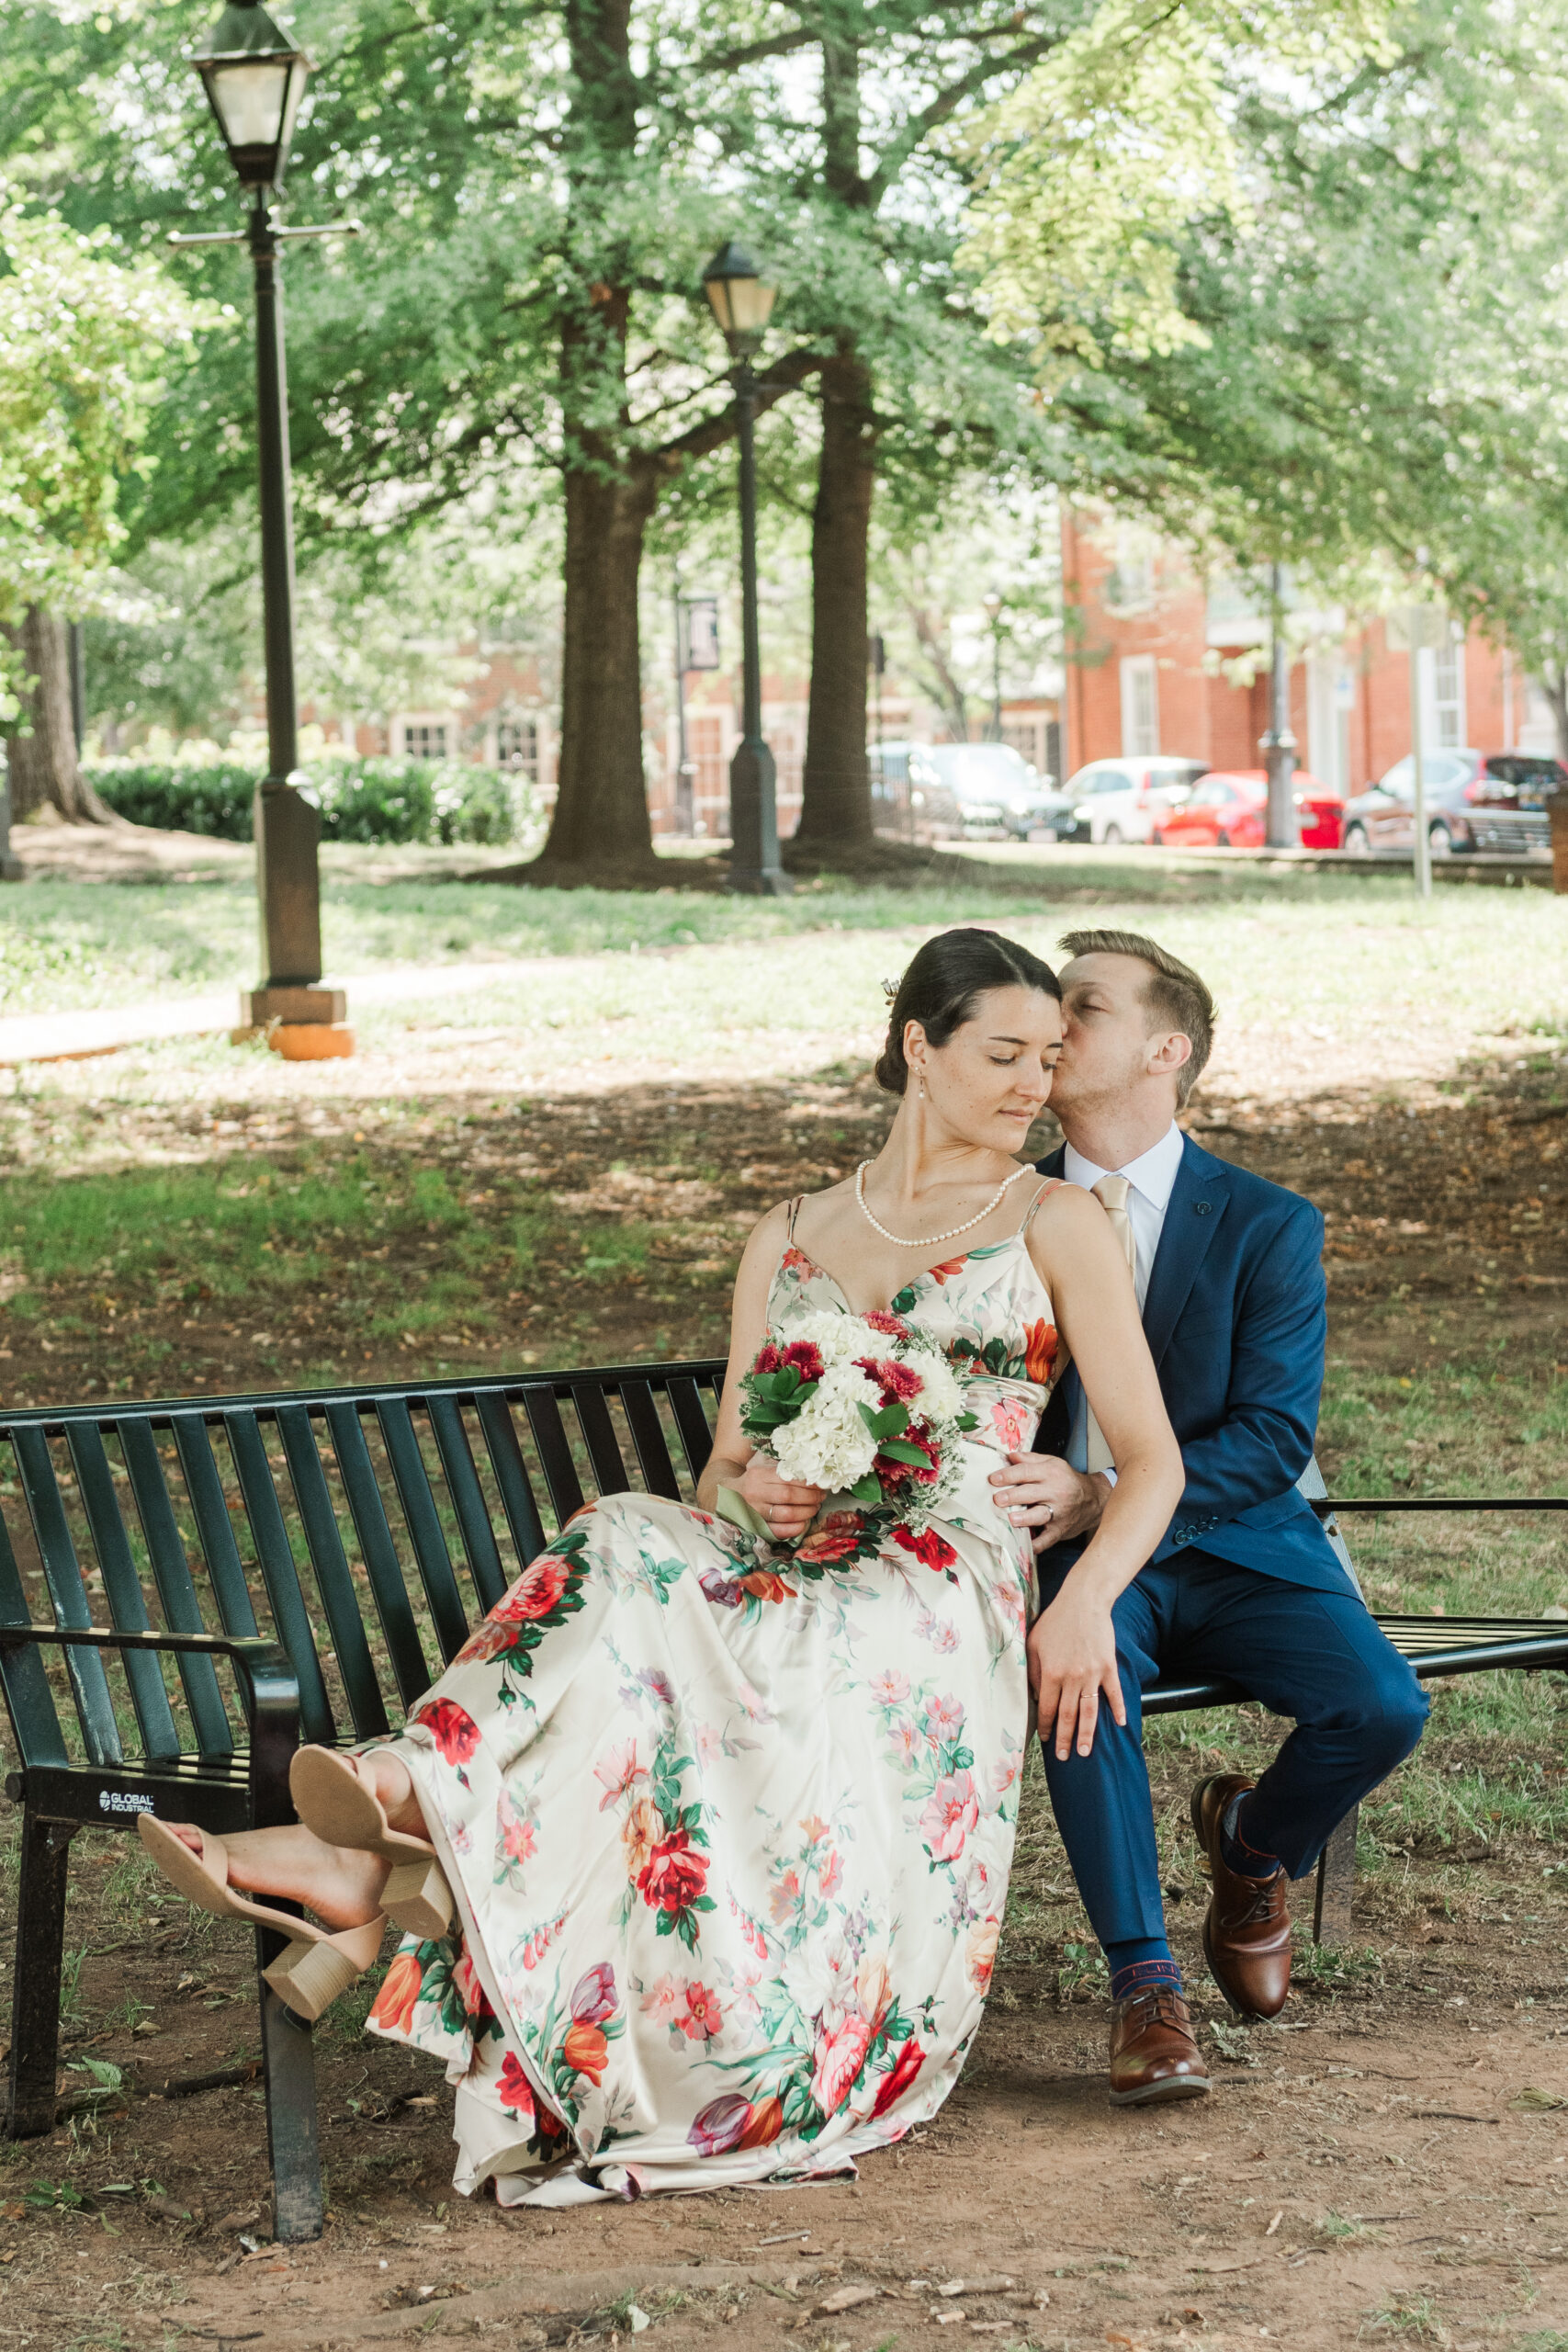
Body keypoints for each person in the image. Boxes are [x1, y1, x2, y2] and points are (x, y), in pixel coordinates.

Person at [138, 926, 1186, 2205]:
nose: (1035, 1085)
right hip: (784, 1564)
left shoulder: (1053, 1221)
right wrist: (764, 1488)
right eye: (1003, 1054)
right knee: (629, 1530)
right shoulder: (787, 1236)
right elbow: (718, 1471)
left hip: (929, 1587)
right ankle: (378, 1813)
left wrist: (1080, 1603)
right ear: (918, 1047)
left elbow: (1150, 1464)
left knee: (691, 1642)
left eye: (1048, 1057)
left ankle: (376, 1840)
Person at [990, 928, 1428, 2104]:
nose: (1054, 1023)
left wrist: (1112, 1486)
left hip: (1236, 1544)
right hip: (1074, 1560)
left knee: (1383, 1703)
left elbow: (1274, 1436)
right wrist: (1072, 1511)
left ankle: (1250, 1850)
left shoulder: (1265, 1222)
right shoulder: (1000, 1209)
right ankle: (1145, 1990)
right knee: (1082, 1687)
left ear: (1165, 1047)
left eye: (1083, 1004)